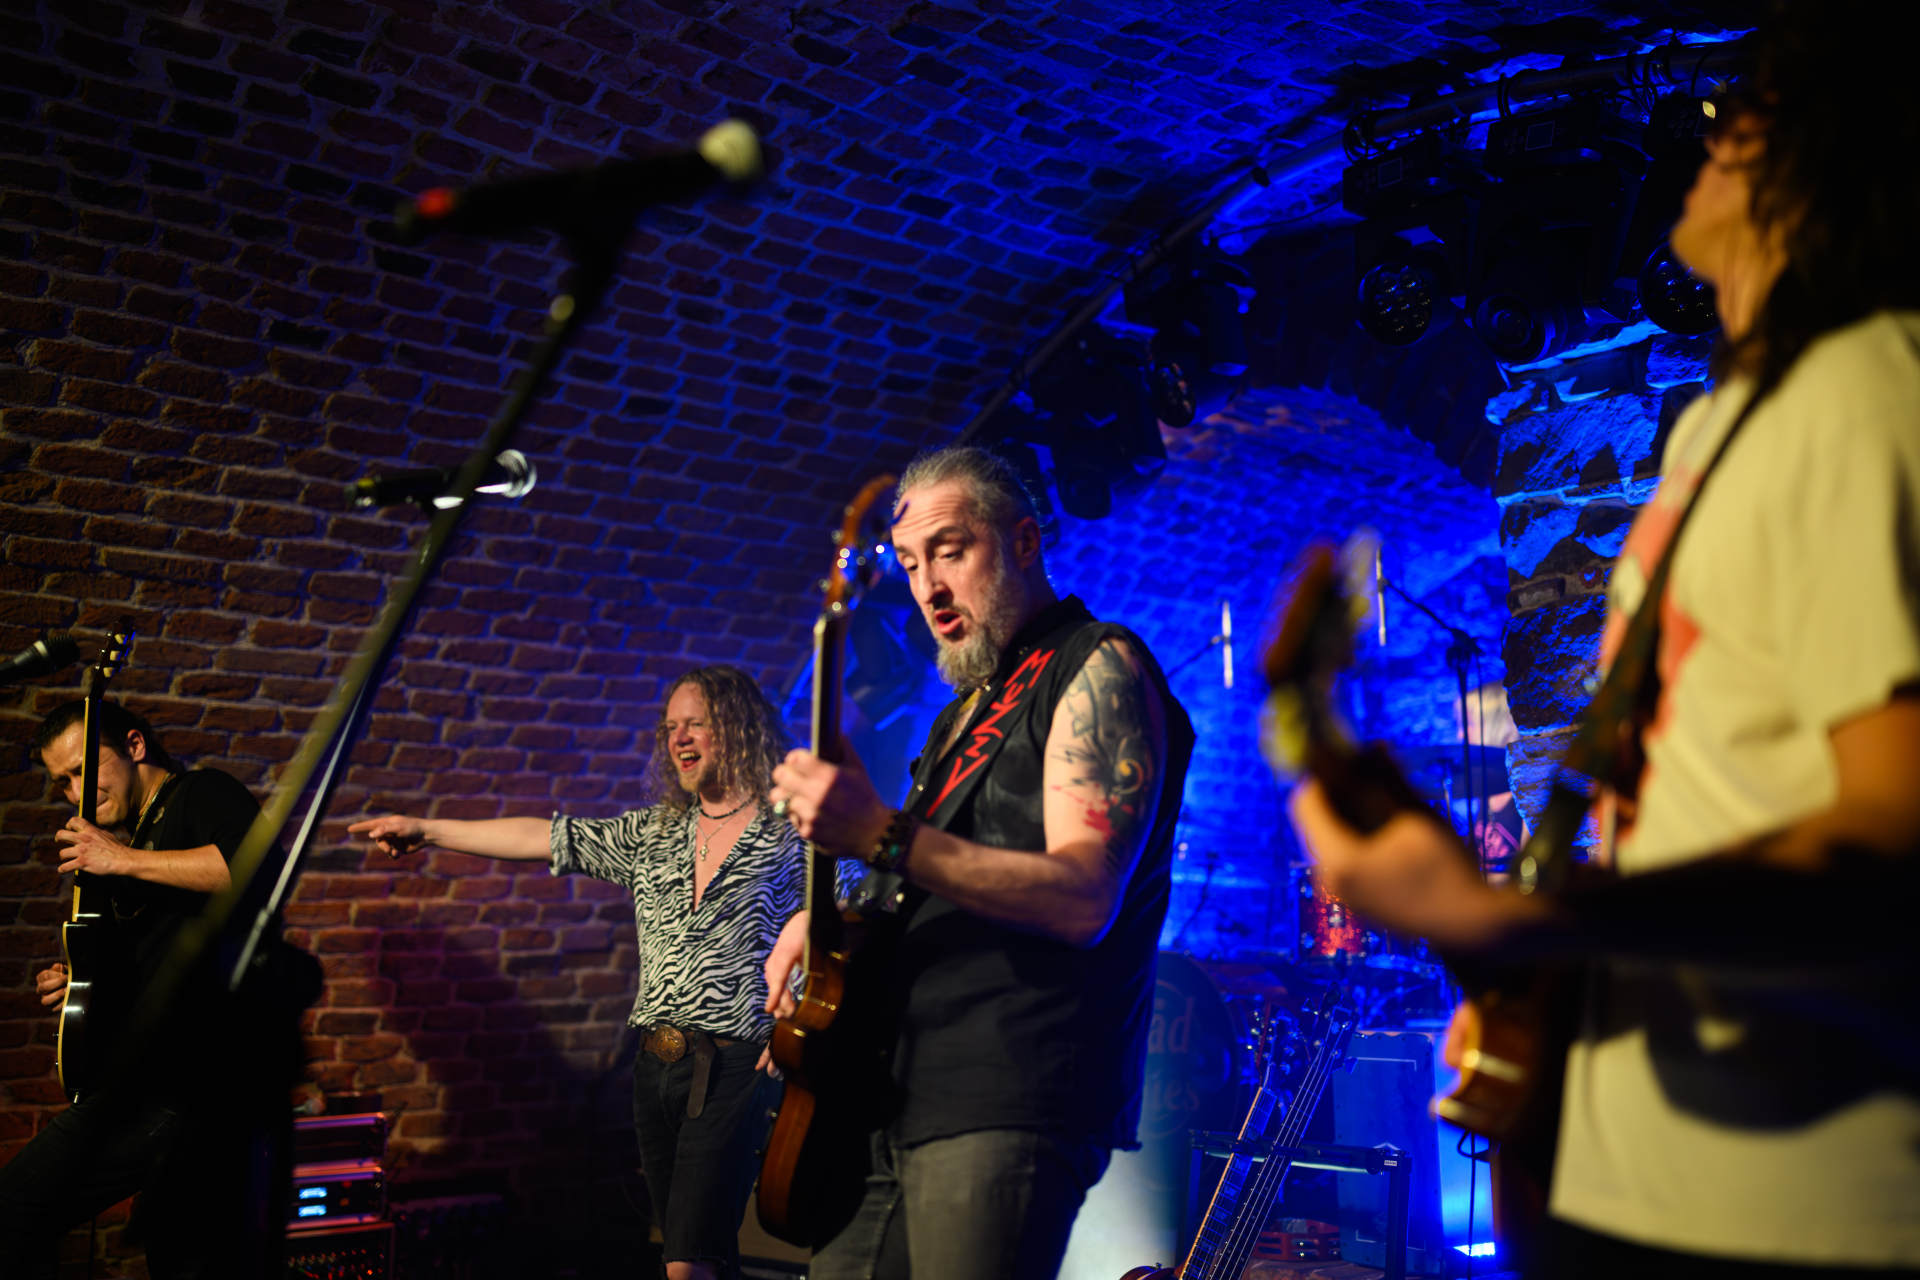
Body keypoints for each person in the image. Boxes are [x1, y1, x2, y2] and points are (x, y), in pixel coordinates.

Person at [1291, 5, 1920, 1276]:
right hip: (1669, 1141)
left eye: (1741, 112)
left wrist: (1535, 921)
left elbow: (1891, 826)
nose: (1708, 130)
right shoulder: (1726, 425)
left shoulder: (1866, 389)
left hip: (1799, 1170)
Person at [763, 445, 1195, 1280]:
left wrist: (882, 833)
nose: (928, 587)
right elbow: (925, 883)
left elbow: (1082, 897)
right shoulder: (961, 716)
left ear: (1024, 542)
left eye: (951, 551)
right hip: (891, 1088)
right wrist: (829, 920)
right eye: (910, 563)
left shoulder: (1098, 664)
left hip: (1009, 1087)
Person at [350, 664, 806, 1280]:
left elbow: (852, 919)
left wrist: (799, 1020)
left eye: (696, 723)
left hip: (735, 1064)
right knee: (701, 1254)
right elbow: (544, 837)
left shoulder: (791, 833)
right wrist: (429, 830)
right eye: (671, 727)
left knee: (688, 1263)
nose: (679, 738)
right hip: (656, 1064)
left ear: (739, 728)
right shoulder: (653, 833)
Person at [0, 699, 286, 1278]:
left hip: (189, 1084)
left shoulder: (199, 793)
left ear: (134, 746)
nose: (75, 793)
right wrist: (80, 984)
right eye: (62, 782)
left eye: (83, 770)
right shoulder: (133, 842)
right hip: (151, 1080)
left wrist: (122, 860)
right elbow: (156, 962)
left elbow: (259, 871)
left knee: (14, 1209)